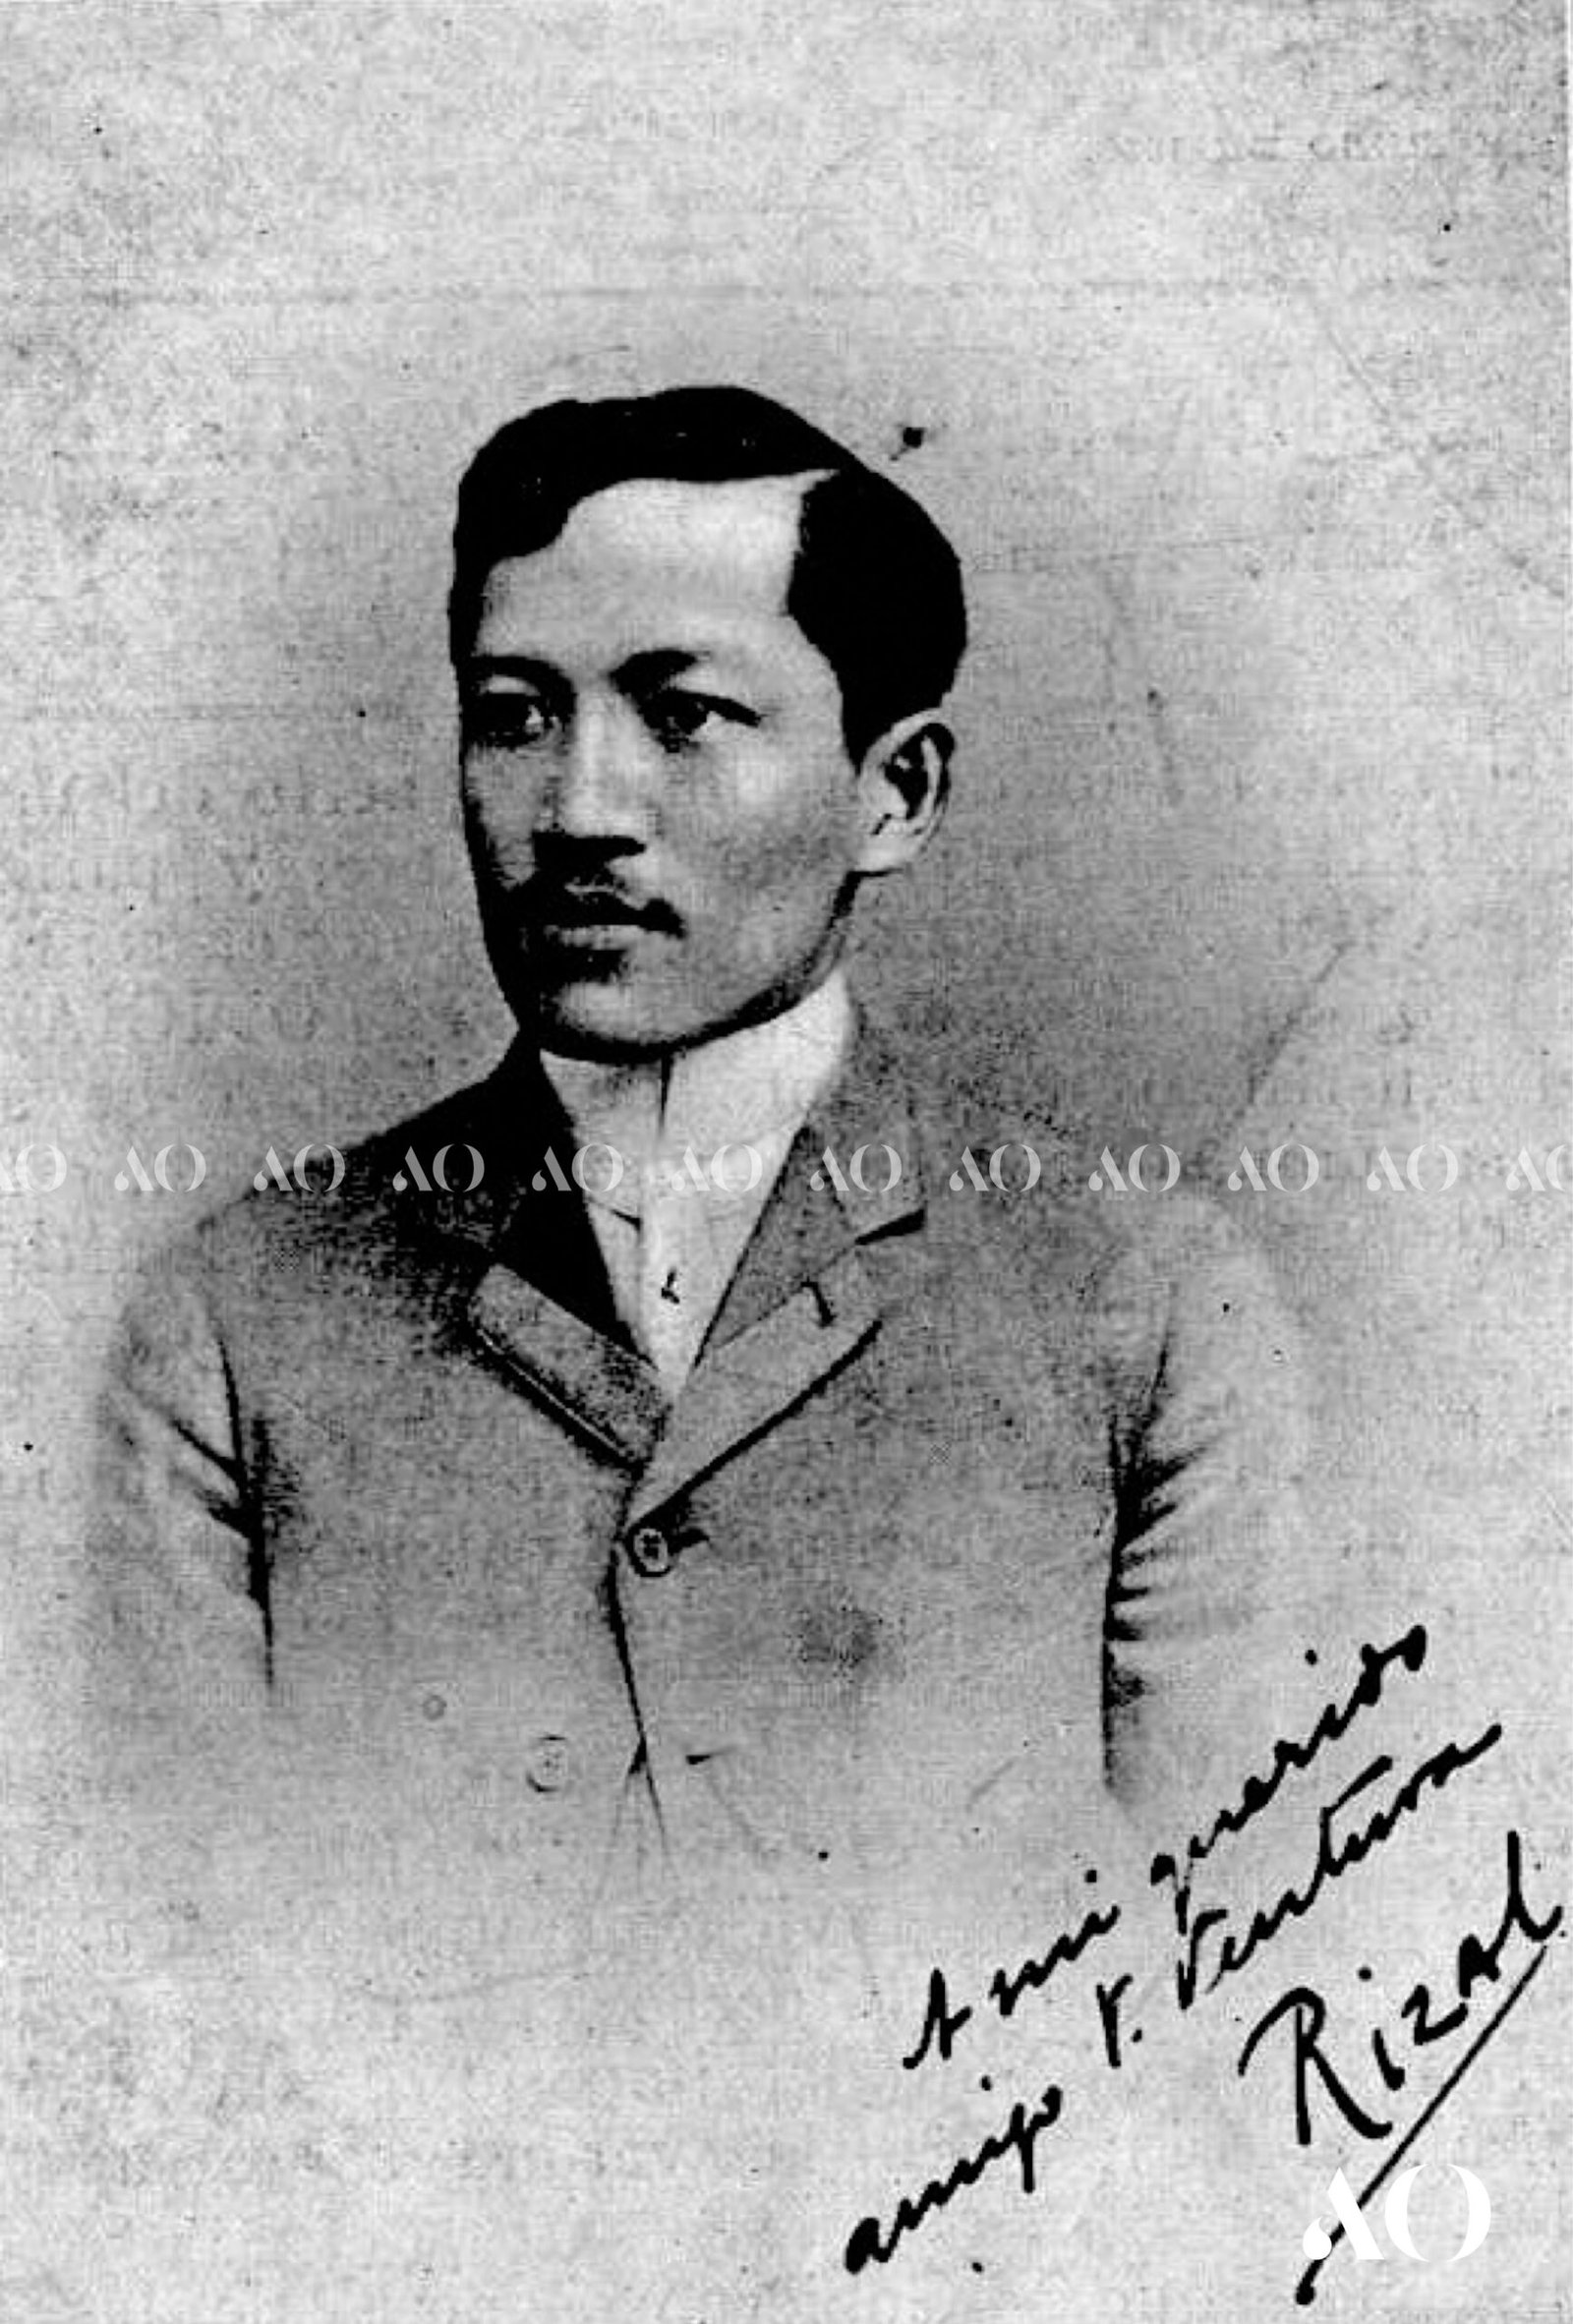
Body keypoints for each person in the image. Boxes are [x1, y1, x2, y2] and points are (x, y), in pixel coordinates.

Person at [87, 385, 1310, 2319]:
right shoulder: (236, 1321)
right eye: (515, 714)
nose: (580, 808)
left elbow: (1244, 1999)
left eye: (682, 714)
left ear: (896, 793)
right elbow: (164, 2017)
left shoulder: (1144, 1310)